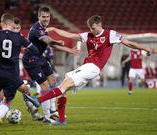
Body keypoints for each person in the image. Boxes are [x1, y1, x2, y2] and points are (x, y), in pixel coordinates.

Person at [24, 15, 152, 125]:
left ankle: (38, 101)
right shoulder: (88, 35)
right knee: (64, 87)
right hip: (86, 66)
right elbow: (70, 35)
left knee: (65, 85)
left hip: (93, 68)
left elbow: (129, 43)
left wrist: (145, 49)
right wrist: (54, 29)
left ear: (99, 24)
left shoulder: (110, 34)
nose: (92, 30)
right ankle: (62, 120)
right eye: (90, 28)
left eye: (93, 28)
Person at [22, 6, 78, 123]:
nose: (46, 19)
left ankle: (52, 110)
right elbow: (49, 41)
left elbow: (51, 44)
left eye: (47, 17)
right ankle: (47, 117)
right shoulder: (37, 29)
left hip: (39, 57)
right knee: (45, 87)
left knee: (53, 81)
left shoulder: (44, 28)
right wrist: (58, 41)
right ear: (39, 17)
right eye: (43, 17)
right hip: (31, 59)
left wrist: (69, 50)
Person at [0, 17, 43, 124]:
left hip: (13, 74)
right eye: (14, 28)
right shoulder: (8, 38)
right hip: (3, 71)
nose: (15, 30)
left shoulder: (18, 38)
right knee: (0, 94)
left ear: (19, 28)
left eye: (17, 28)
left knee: (25, 90)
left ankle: (33, 113)